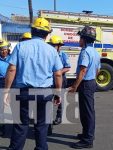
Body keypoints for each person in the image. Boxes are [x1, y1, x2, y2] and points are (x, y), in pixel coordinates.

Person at [3, 17, 63, 150]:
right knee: (42, 126)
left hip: (23, 92)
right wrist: (58, 93)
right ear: (47, 34)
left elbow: (12, 69)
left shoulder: (20, 47)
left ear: (32, 31)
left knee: (21, 125)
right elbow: (58, 74)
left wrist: (6, 91)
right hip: (45, 93)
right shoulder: (52, 50)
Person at [69, 26, 101, 149]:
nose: (79, 40)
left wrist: (74, 86)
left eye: (80, 37)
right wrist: (92, 77)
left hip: (86, 84)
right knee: (86, 111)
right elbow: (98, 70)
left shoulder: (85, 51)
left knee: (87, 112)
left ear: (85, 39)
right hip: (91, 82)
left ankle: (87, 140)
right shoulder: (95, 52)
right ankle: (86, 134)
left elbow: (82, 71)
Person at [48, 35, 71, 125]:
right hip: (50, 80)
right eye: (51, 45)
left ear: (59, 46)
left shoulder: (63, 55)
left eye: (54, 45)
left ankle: (59, 117)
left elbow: (68, 67)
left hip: (61, 79)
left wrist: (58, 72)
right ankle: (47, 120)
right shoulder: (48, 54)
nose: (52, 47)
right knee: (48, 99)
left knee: (59, 99)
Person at [0, 39, 11, 136]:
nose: (4, 51)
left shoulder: (12, 59)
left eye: (5, 49)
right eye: (2, 49)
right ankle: (2, 127)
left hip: (10, 83)